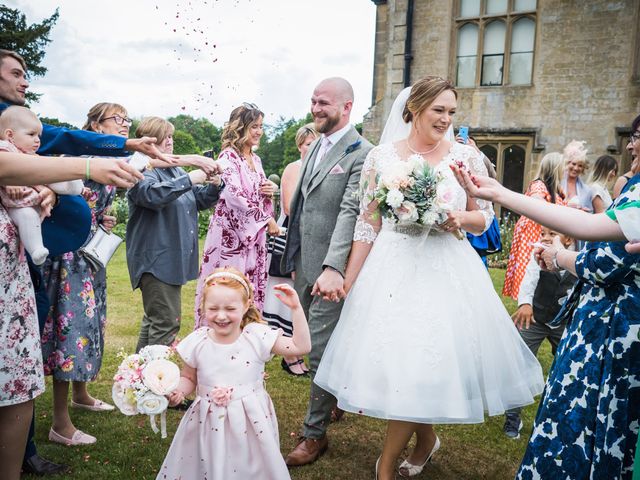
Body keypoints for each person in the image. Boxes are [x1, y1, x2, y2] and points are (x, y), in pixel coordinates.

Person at [313, 77, 544, 480]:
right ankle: (425, 440)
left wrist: (459, 217)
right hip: (394, 265)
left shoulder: (465, 158)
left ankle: (386, 466)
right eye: (439, 110)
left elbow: (484, 219)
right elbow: (368, 224)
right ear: (414, 109)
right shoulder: (381, 158)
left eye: (452, 112)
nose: (446, 119)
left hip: (445, 269)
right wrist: (349, 279)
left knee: (423, 365)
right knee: (405, 365)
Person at [451, 114, 640, 479]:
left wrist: (558, 255)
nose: (631, 145)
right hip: (596, 321)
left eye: (637, 136)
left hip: (616, 334)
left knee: (589, 424)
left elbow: (597, 242)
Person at [0, 153, 141, 480]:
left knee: (18, 385)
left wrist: (52, 189)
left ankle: (21, 460)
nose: (35, 141)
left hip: (15, 278)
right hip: (50, 265)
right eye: (115, 119)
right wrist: (86, 167)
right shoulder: (29, 155)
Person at [280, 77, 373, 467]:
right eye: (313, 101)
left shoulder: (362, 153)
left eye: (324, 103)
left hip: (330, 271)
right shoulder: (315, 144)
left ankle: (313, 435)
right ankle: (334, 401)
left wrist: (334, 267)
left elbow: (352, 213)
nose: (316, 108)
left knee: (317, 347)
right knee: (307, 339)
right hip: (302, 263)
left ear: (347, 107)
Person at [40, 102, 141, 447]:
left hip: (91, 255)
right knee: (69, 332)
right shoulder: (75, 156)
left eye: (128, 119)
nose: (125, 124)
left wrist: (100, 218)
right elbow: (52, 191)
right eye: (118, 119)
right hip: (68, 256)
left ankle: (81, 394)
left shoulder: (112, 159)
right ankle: (59, 422)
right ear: (96, 124)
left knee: (90, 325)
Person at [156, 268, 311, 480]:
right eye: (213, 308)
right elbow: (189, 378)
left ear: (246, 305)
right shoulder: (198, 342)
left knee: (250, 466)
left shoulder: (256, 336)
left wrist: (296, 308)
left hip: (250, 420)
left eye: (230, 308)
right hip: (207, 420)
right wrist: (178, 393)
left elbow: (300, 346)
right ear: (203, 308)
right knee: (209, 463)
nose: (221, 315)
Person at [127, 117, 223, 352]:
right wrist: (190, 178)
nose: (170, 141)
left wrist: (213, 186)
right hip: (156, 259)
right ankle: (154, 382)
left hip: (172, 259)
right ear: (151, 139)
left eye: (170, 136)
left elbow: (195, 200)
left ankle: (137, 378)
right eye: (165, 136)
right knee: (166, 322)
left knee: (155, 319)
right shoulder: (140, 168)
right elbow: (150, 195)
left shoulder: (174, 170)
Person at [194, 103, 278, 325]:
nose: (259, 132)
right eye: (254, 126)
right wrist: (265, 219)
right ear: (240, 128)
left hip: (254, 237)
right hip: (231, 237)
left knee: (249, 289)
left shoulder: (257, 160)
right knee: (229, 289)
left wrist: (268, 190)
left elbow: (255, 192)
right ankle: (219, 336)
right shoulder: (228, 157)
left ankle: (247, 336)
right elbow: (233, 195)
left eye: (261, 126)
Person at [502, 226, 576, 439]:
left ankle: (562, 415)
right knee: (520, 362)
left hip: (562, 323)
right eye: (543, 233)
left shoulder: (576, 260)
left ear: (568, 238)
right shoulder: (538, 256)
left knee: (566, 365)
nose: (545, 238)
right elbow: (529, 279)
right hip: (535, 318)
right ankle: (513, 415)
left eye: (552, 234)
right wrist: (525, 303)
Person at [263, 123, 318, 377]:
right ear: (300, 145)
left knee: (307, 298)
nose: (312, 147)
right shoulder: (293, 168)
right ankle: (290, 354)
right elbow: (287, 207)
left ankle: (299, 348)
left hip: (315, 238)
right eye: (308, 143)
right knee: (290, 297)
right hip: (292, 236)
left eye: (316, 142)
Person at [0, 106, 83, 264]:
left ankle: (70, 184)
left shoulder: (32, 155)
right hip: (16, 205)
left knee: (50, 172)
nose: (37, 140)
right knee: (28, 217)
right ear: (10, 135)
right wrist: (9, 179)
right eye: (31, 134)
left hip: (34, 196)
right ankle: (36, 248)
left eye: (39, 135)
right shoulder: (6, 148)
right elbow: (4, 167)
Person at [502, 152, 566, 299]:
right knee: (530, 268)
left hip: (544, 232)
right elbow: (536, 199)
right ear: (555, 168)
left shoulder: (555, 189)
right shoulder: (539, 185)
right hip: (533, 232)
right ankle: (526, 300)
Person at [454, 134, 501, 267]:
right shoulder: (450, 153)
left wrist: (477, 152)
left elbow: (492, 175)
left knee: (477, 256)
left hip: (476, 208)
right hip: (458, 210)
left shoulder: (476, 157)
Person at [562, 139, 594, 211]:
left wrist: (583, 211)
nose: (576, 168)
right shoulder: (556, 182)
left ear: (583, 168)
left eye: (580, 166)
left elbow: (590, 212)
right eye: (573, 164)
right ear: (567, 163)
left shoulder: (587, 190)